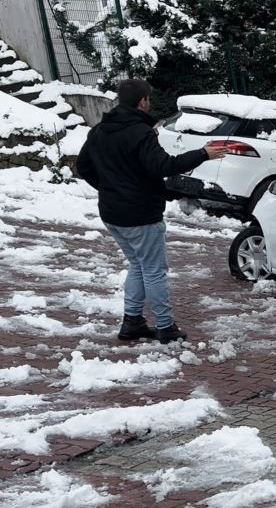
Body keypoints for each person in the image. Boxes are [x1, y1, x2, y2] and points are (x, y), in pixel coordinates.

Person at [76, 79, 228, 344]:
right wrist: (203, 154)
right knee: (154, 270)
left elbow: (84, 167)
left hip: (113, 213)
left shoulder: (99, 130)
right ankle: (165, 326)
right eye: (149, 99)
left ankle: (132, 322)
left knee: (138, 265)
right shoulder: (139, 132)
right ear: (143, 101)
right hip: (140, 214)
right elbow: (163, 166)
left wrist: (110, 188)